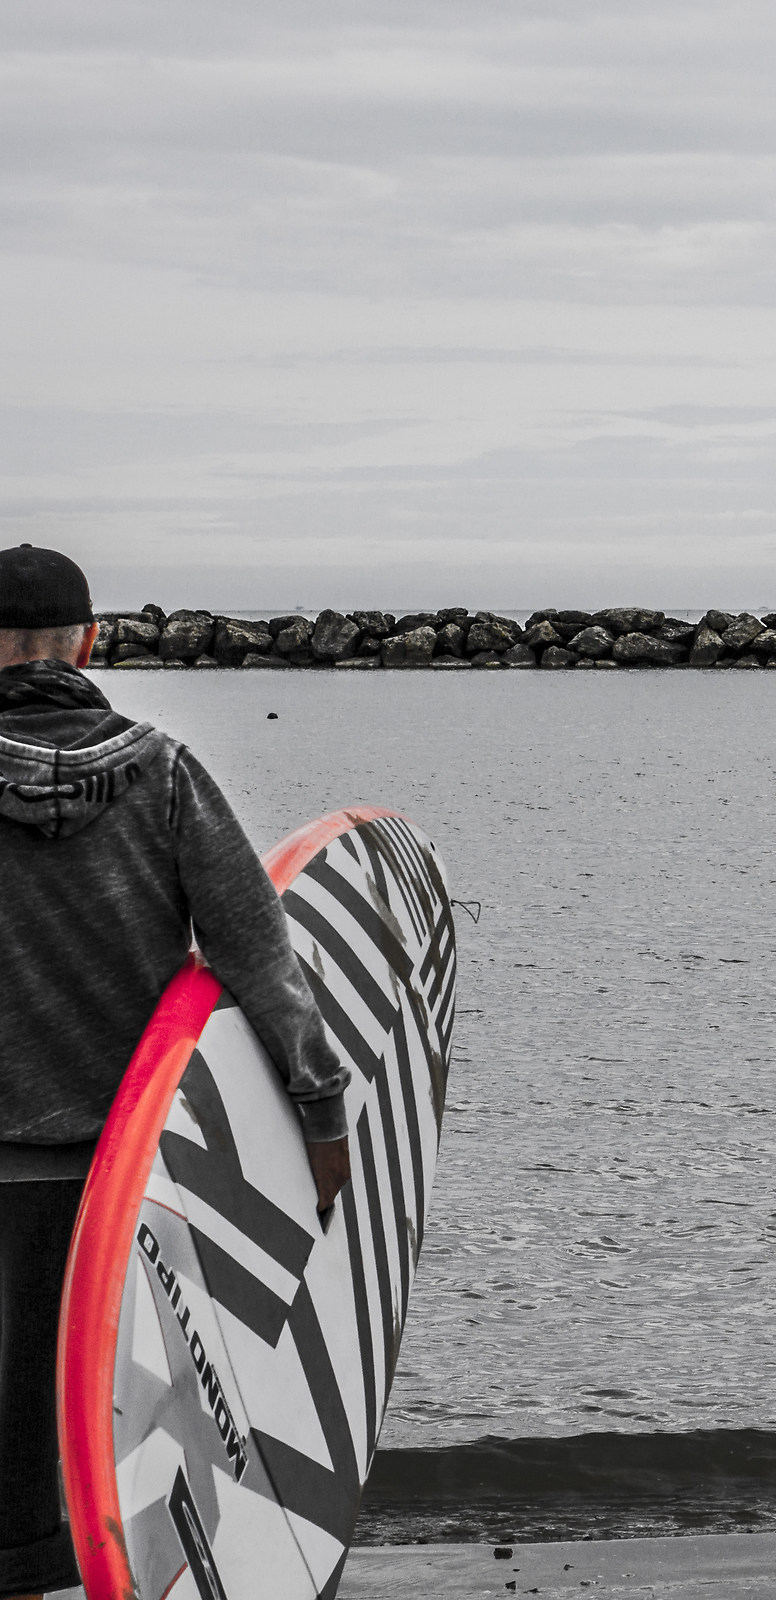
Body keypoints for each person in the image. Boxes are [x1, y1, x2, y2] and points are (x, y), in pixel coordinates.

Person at [0, 545, 350, 1600]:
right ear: (92, 642)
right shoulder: (163, 775)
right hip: (136, 1178)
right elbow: (261, 961)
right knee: (128, 1430)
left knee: (8, 1439)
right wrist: (319, 1119)